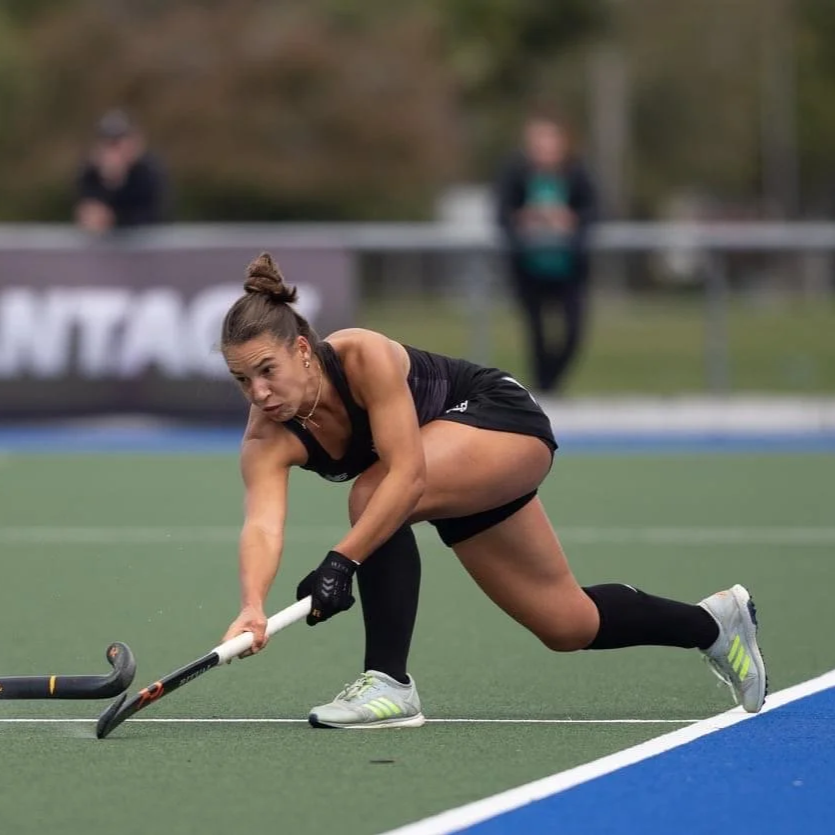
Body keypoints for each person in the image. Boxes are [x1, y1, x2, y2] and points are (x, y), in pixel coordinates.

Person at [220, 252, 766, 729]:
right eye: (243, 380)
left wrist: (342, 562)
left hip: (499, 423)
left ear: (303, 350)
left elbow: (407, 477)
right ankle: (715, 623)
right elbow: (263, 524)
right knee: (566, 623)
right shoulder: (267, 437)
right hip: (451, 478)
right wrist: (252, 605)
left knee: (375, 493)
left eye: (267, 370)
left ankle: (388, 682)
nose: (259, 392)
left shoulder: (362, 356)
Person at [496, 109, 597, 393]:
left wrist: (569, 220)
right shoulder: (515, 173)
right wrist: (523, 219)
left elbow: (594, 211)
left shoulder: (577, 173)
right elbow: (501, 213)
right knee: (537, 334)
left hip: (569, 270)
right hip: (529, 269)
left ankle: (551, 385)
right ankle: (544, 390)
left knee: (574, 331)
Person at [74, 109, 168, 233]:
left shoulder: (149, 171)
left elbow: (154, 215)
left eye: (118, 142)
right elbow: (87, 209)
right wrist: (109, 183)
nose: (114, 150)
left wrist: (114, 220)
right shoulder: (89, 173)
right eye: (108, 143)